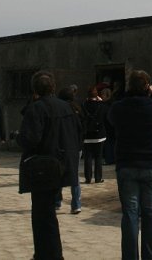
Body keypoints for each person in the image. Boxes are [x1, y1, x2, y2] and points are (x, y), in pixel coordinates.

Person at [108, 70, 152, 260]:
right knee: (150, 213)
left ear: (129, 86)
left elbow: (111, 118)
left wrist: (123, 95)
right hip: (151, 165)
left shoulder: (120, 107)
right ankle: (151, 256)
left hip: (127, 164)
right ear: (147, 87)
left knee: (130, 214)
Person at [18, 71, 81, 260]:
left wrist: (19, 137)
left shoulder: (36, 109)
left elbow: (30, 139)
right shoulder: (67, 107)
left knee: (42, 215)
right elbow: (78, 133)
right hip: (63, 164)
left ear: (35, 90)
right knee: (47, 214)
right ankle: (49, 253)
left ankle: (48, 254)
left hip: (43, 168)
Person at [55, 85, 82, 214]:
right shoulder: (77, 110)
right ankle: (76, 204)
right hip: (74, 147)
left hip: (60, 146)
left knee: (58, 174)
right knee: (74, 176)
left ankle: (57, 201)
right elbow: (81, 129)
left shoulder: (57, 111)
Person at [81, 85, 108, 184]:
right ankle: (98, 178)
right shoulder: (101, 105)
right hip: (99, 134)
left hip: (87, 134)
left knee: (87, 157)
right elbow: (106, 115)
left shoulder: (83, 105)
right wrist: (101, 102)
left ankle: (88, 178)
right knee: (98, 157)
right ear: (97, 95)